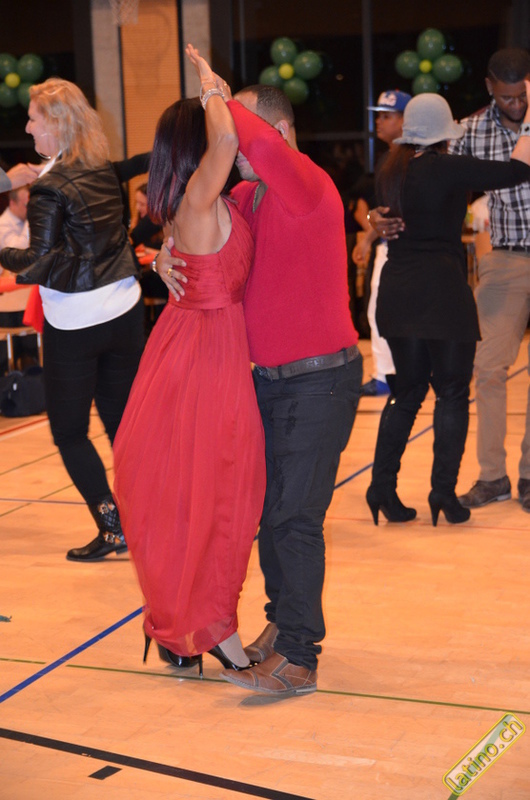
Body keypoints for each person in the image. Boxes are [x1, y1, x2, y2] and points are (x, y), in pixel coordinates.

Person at [157, 76, 362, 697]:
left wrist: (216, 98)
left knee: (294, 518)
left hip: (319, 381)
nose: (233, 143)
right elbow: (199, 226)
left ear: (280, 130)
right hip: (268, 383)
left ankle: (300, 653)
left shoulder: (307, 183)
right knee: (270, 516)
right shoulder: (249, 196)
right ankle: (282, 623)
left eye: (241, 130)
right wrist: (165, 254)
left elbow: (261, 148)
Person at [113, 45, 266, 674]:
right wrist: (211, 89)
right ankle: (207, 629)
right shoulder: (199, 202)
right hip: (201, 360)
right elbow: (226, 142)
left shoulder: (204, 205)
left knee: (208, 497)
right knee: (217, 497)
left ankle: (184, 629)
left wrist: (159, 260)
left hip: (197, 350)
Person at [364, 88, 530, 528]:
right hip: (442, 294)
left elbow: (380, 216)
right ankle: (443, 493)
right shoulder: (449, 167)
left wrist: (373, 221)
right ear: (444, 134)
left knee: (407, 392)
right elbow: (517, 170)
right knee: (452, 393)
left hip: (397, 293)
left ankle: (381, 488)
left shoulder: (391, 168)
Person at [0, 77, 145, 561]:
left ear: (57, 123)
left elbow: (36, 259)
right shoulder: (99, 168)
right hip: (124, 312)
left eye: (33, 119)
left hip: (76, 324)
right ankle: (151, 516)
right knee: (123, 425)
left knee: (68, 430)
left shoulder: (48, 189)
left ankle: (112, 526)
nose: (27, 128)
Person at [449, 49, 530, 513]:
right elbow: (436, 177)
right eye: (506, 97)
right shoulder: (471, 130)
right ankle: (493, 476)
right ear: (489, 89)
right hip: (505, 259)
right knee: (487, 368)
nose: (515, 105)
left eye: (521, 96)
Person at [353, 90, 411, 397]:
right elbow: (384, 210)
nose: (379, 121)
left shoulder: (411, 158)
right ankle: (389, 374)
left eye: (387, 116)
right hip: (390, 245)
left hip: (404, 247)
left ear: (405, 120)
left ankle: (392, 375)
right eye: (379, 116)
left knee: (385, 311)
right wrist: (368, 239)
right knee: (380, 311)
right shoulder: (389, 159)